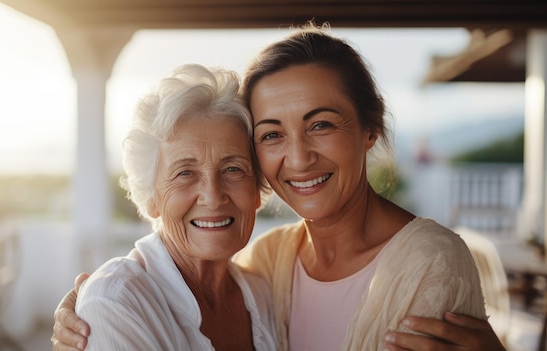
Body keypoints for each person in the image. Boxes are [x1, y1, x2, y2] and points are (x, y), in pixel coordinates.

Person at [52, 24, 508, 351]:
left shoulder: (430, 263)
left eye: (321, 124)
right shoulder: (268, 265)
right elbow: (126, 296)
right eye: (271, 134)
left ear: (370, 129)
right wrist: (95, 304)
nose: (298, 157)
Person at [69, 63, 277, 350]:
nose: (213, 196)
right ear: (151, 197)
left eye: (232, 169)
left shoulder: (263, 294)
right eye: (185, 173)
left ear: (256, 190)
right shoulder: (116, 302)